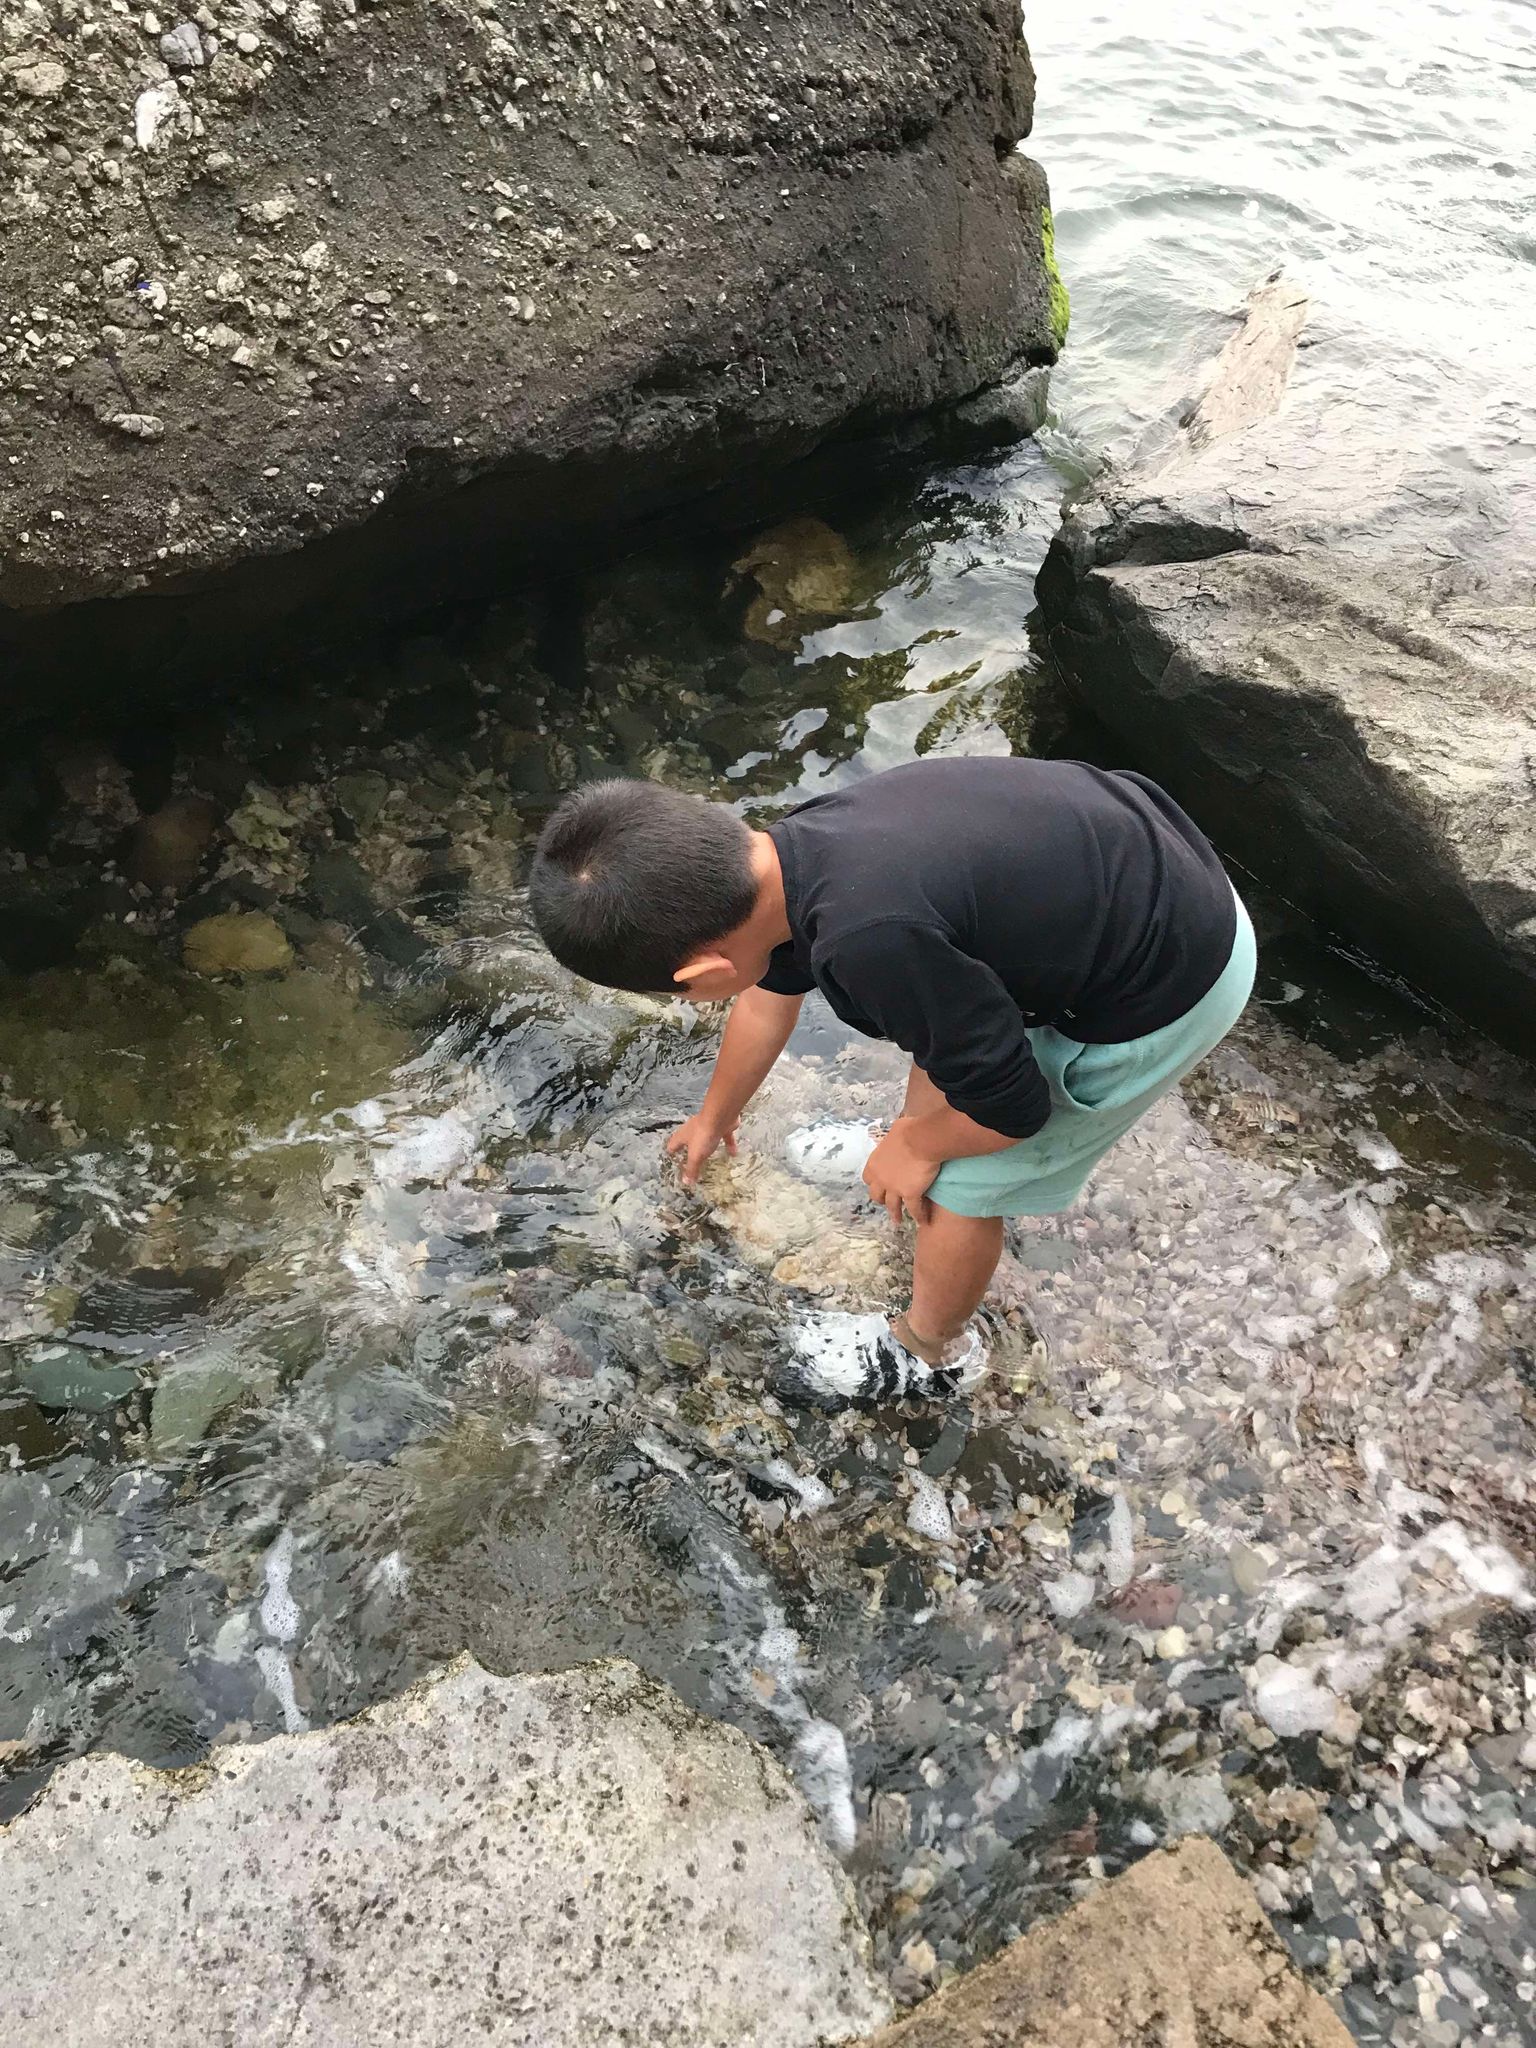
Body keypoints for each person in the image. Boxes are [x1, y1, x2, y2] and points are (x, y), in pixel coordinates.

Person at [528, 758, 1255, 1406]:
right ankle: (910, 1143)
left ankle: (927, 1351)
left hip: (1170, 983)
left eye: (680, 995)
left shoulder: (870, 940)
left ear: (704, 972)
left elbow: (1013, 1108)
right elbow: (768, 996)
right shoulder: (788, 859)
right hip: (1150, 866)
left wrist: (926, 1147)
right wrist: (715, 1116)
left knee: (965, 1181)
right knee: (937, 1026)